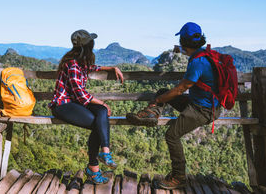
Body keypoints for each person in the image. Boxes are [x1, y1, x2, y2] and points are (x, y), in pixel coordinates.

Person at [126, 22, 221, 189]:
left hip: (203, 110)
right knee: (163, 91)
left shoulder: (198, 62)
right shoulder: (204, 54)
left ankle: (179, 177)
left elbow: (180, 89)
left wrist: (158, 100)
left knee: (172, 135)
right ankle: (152, 114)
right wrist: (179, 49)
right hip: (201, 103)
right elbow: (187, 52)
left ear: (184, 40)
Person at [48, 29, 124, 184]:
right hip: (63, 105)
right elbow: (82, 95)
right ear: (86, 47)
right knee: (99, 119)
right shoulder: (72, 64)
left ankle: (105, 153)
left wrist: (111, 68)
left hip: (75, 103)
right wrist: (103, 102)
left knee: (102, 112)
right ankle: (93, 168)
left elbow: (92, 68)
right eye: (91, 44)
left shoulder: (81, 62)